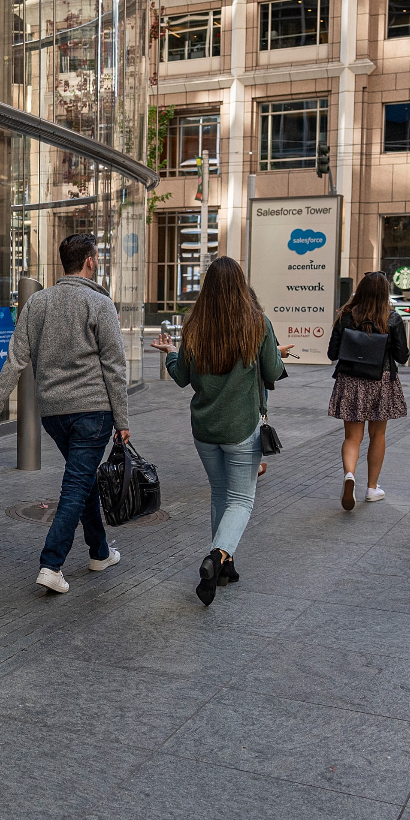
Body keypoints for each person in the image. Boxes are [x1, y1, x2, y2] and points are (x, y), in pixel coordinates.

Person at [0, 233, 128, 595]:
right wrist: (122, 421)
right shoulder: (100, 303)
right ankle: (51, 564)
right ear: (90, 261)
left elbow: (16, 357)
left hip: (55, 414)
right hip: (93, 411)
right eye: (96, 258)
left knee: (83, 479)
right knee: (76, 485)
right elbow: (115, 367)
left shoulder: (38, 302)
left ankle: (100, 553)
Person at [152, 256, 288, 606]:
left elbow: (181, 377)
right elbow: (272, 370)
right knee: (241, 499)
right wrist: (277, 355)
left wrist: (170, 353)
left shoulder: (194, 325)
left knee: (219, 494)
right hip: (242, 428)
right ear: (241, 286)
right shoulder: (258, 324)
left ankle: (225, 566)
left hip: (204, 428)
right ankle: (217, 556)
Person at [326, 271, 409, 509]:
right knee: (378, 435)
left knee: (352, 437)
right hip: (381, 381)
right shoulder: (391, 319)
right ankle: (372, 488)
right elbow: (402, 356)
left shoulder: (345, 316)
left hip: (350, 380)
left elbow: (332, 353)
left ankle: (349, 475)